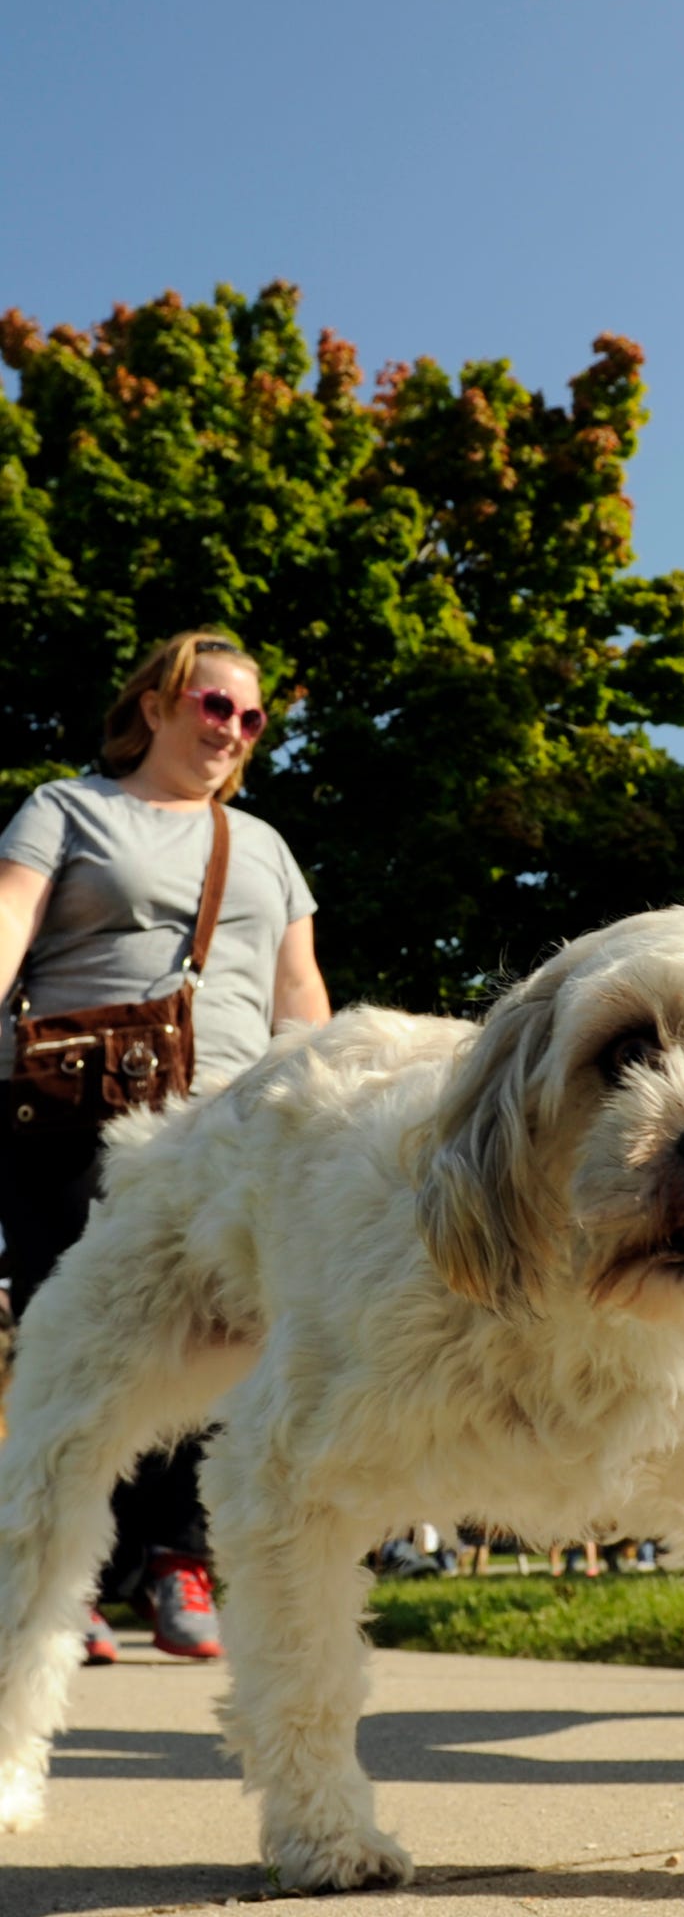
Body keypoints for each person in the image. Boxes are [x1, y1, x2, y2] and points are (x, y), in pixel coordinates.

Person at [0, 629, 328, 1662]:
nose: (234, 729)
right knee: (77, 1341)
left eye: (252, 716)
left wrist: (327, 1109)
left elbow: (299, 991)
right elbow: (8, 922)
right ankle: (69, 1572)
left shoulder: (265, 846)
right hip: (73, 1114)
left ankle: (178, 1558)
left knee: (226, 1341)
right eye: (214, 705)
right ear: (155, 704)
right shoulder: (67, 808)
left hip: (227, 1134)